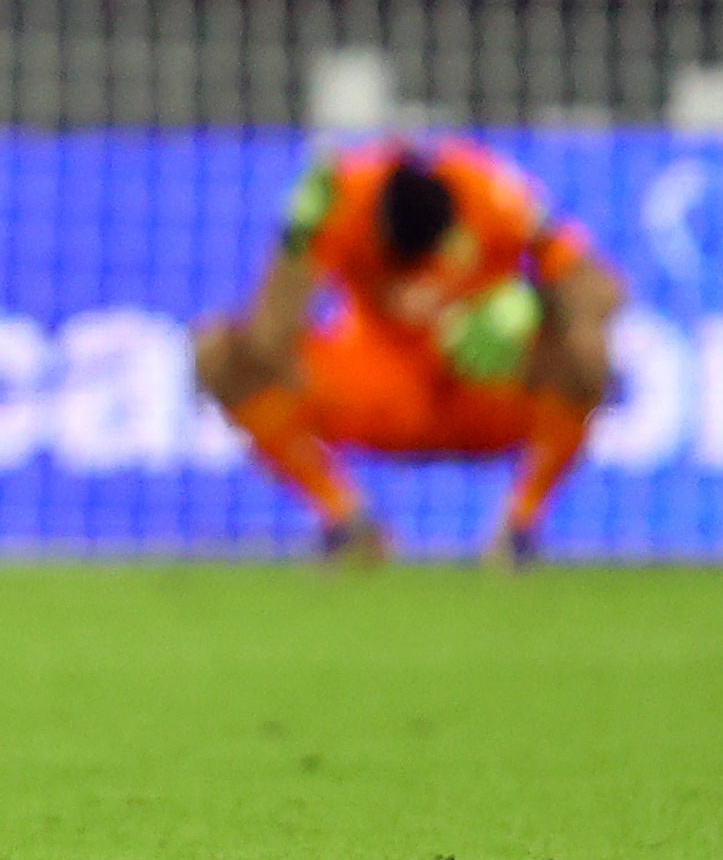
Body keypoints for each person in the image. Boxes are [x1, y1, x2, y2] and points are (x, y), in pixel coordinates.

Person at [196, 137, 619, 568]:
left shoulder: (494, 192)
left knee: (588, 353)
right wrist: (295, 240)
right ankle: (347, 525)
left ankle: (519, 531)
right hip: (373, 388)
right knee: (218, 353)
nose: (416, 287)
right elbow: (270, 343)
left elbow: (604, 289)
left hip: (482, 385)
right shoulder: (340, 196)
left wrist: (530, 304)